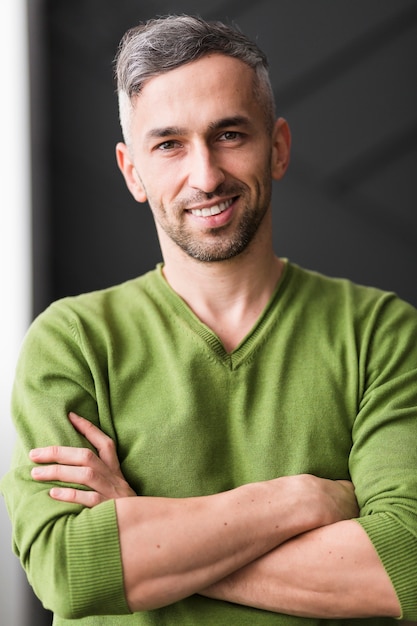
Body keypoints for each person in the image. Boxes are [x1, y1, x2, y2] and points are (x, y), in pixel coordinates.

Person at [1, 14, 417, 625]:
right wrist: (297, 500)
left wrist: (148, 531)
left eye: (229, 135)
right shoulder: (72, 341)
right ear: (132, 171)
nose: (205, 175)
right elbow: (68, 569)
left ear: (277, 148)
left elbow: (402, 568)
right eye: (169, 144)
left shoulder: (381, 332)